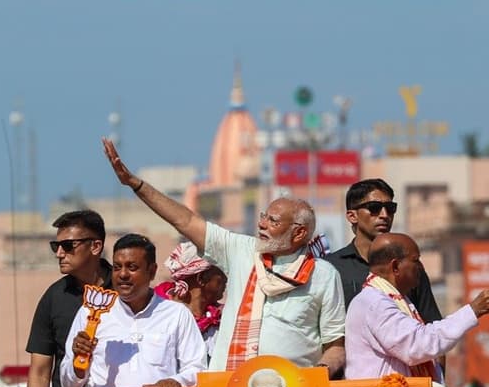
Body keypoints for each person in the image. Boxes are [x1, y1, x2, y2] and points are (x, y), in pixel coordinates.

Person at [102, 137, 346, 373]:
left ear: (299, 233)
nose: (261, 224)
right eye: (263, 216)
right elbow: (186, 220)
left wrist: (321, 372)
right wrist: (136, 184)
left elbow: (335, 347)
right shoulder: (242, 251)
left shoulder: (323, 275)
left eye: (272, 221)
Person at [59, 234, 207, 387]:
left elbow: (198, 369)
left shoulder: (176, 314)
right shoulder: (90, 313)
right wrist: (78, 364)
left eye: (132, 267)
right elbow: (68, 385)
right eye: (117, 267)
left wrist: (176, 382)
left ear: (151, 271)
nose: (122, 274)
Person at [344, 233, 489, 380]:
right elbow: (419, 344)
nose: (421, 267)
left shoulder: (394, 300)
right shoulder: (374, 303)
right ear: (395, 267)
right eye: (416, 260)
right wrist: (473, 311)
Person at [25, 210, 112, 387]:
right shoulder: (53, 297)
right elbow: (40, 371)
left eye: (68, 246)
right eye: (56, 246)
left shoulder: (125, 291)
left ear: (95, 246)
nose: (59, 253)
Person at [326, 179, 441, 322]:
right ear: (352, 216)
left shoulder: (409, 267)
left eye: (390, 208)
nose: (384, 215)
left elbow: (432, 326)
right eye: (374, 208)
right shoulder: (331, 268)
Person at [155, 241, 227, 362]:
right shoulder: (160, 316)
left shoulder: (220, 319)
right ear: (202, 279)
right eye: (222, 274)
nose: (226, 279)